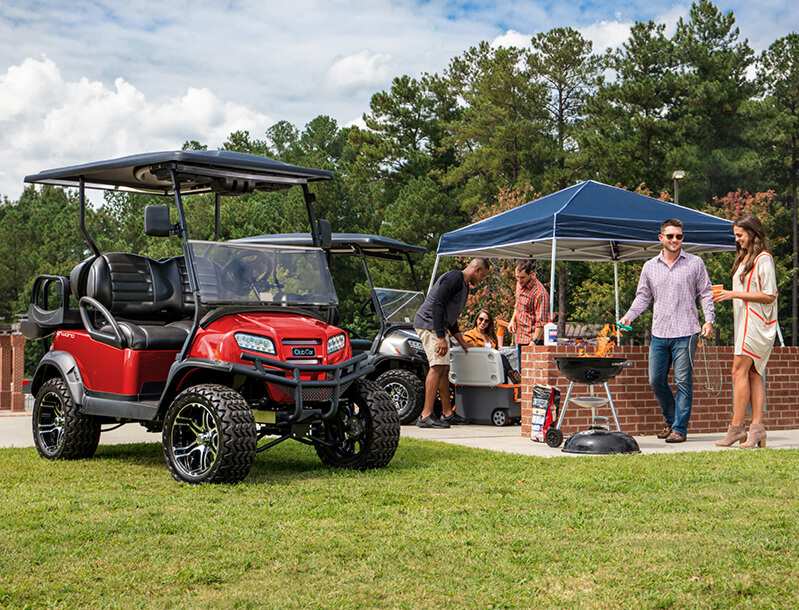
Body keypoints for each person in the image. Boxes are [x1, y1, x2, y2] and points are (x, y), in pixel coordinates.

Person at [620, 218, 714, 443]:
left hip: (687, 331)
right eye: (670, 236)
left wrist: (709, 320)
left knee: (683, 381)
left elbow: (706, 293)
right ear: (661, 238)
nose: (675, 240)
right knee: (656, 380)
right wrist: (629, 316)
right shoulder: (650, 267)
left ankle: (679, 429)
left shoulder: (695, 263)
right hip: (660, 333)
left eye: (679, 236)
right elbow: (643, 296)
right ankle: (671, 421)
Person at [713, 216, 777, 448]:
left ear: (753, 233)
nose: (737, 239)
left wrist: (733, 294)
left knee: (738, 371)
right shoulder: (744, 259)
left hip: (757, 323)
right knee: (754, 373)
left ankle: (736, 428)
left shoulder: (763, 259)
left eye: (740, 234)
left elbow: (770, 294)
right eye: (735, 235)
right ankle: (757, 429)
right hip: (745, 322)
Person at [414, 258, 491, 428]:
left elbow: (452, 318)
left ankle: (447, 413)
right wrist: (441, 337)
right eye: (482, 276)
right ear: (476, 270)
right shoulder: (454, 278)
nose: (481, 280)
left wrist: (462, 342)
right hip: (429, 324)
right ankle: (425, 415)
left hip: (439, 326)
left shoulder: (464, 286)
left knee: (445, 367)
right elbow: (438, 306)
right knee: (437, 366)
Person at [508, 260, 549, 367]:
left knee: (531, 376)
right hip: (520, 338)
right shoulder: (519, 283)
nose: (519, 280)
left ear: (532, 274)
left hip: (532, 340)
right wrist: (513, 319)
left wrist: (533, 343)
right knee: (522, 374)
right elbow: (518, 303)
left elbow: (541, 322)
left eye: (522, 277)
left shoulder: (540, 293)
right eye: (517, 277)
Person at [463, 309, 521, 384]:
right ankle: (512, 375)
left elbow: (496, 351)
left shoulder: (491, 337)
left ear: (489, 323)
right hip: (478, 363)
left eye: (486, 321)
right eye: (481, 319)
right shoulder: (469, 335)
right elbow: (472, 350)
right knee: (501, 358)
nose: (483, 322)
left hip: (492, 364)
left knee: (501, 364)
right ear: (476, 320)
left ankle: (507, 385)